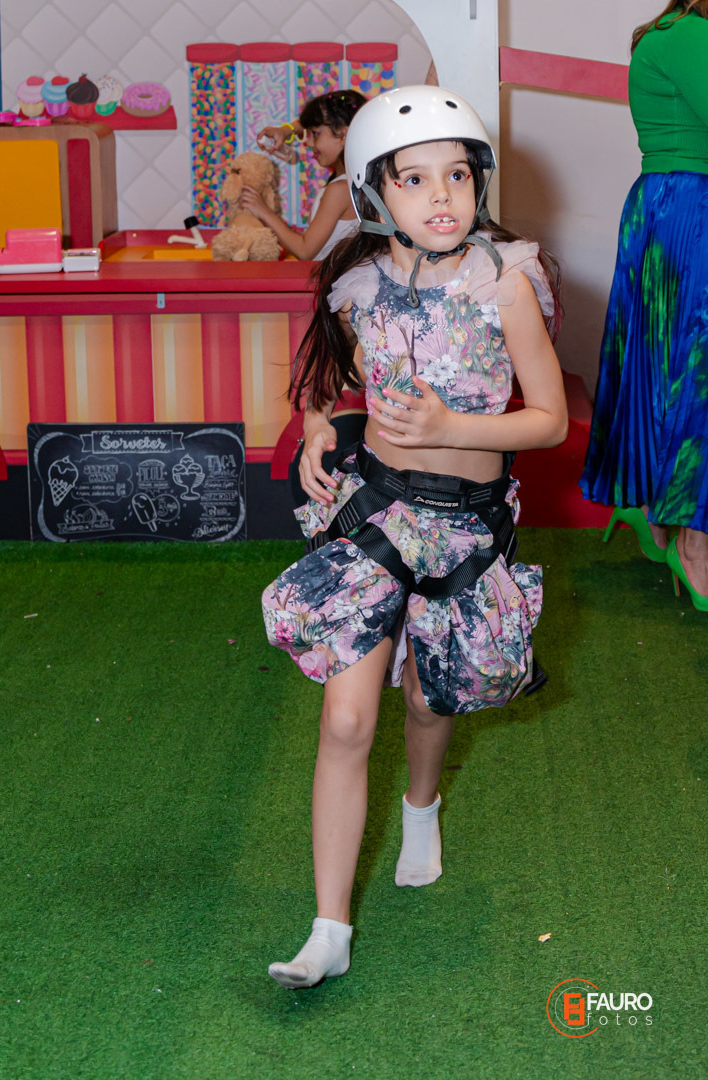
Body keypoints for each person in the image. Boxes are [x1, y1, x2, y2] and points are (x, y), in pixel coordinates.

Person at [261, 85, 568, 988]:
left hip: (465, 526)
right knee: (347, 716)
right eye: (414, 179)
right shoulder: (359, 289)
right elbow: (330, 383)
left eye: (458, 176)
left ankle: (421, 805)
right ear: (371, 193)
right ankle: (328, 929)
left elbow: (548, 419)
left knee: (430, 702)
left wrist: (449, 426)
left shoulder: (505, 282)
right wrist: (319, 426)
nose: (442, 196)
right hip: (376, 510)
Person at [580, 0, 708, 610]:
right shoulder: (688, 34)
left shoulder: (671, 34)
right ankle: (694, 542)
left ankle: (658, 510)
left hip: (672, 207)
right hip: (690, 207)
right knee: (695, 374)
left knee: (664, 367)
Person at [243, 89, 366, 260]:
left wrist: (263, 211)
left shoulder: (339, 190)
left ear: (343, 134)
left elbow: (304, 250)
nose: (308, 142)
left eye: (314, 133)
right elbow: (329, 119)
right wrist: (287, 130)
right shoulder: (350, 183)